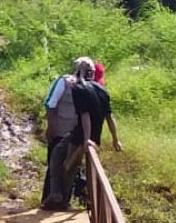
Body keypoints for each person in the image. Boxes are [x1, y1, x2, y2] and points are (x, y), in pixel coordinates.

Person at [42, 58, 121, 210]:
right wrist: (115, 139)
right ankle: (57, 193)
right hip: (87, 135)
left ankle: (62, 200)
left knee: (69, 166)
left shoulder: (79, 89)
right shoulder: (102, 90)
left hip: (82, 135)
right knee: (58, 155)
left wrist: (86, 140)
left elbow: (84, 115)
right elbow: (110, 117)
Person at [40, 61, 81, 201]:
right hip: (61, 133)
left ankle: (60, 201)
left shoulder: (85, 86)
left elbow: (50, 104)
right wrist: (51, 128)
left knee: (66, 167)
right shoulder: (64, 82)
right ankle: (51, 200)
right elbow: (50, 105)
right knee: (57, 165)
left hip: (73, 136)